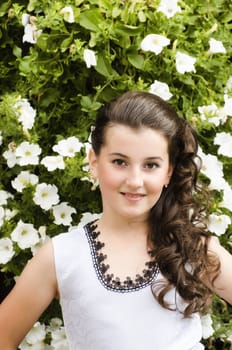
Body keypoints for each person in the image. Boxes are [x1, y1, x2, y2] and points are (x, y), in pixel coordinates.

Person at [0, 91, 231, 350]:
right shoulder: (61, 257)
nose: (134, 180)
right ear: (94, 162)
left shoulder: (193, 248)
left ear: (169, 172)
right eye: (120, 162)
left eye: (151, 165)